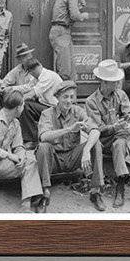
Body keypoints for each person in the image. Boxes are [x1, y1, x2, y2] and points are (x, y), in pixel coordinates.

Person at [85, 59, 130, 205]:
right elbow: (98, 130)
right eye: (114, 81)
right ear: (104, 82)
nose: (117, 84)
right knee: (121, 134)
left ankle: (120, 188)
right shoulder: (91, 101)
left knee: (121, 141)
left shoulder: (121, 95)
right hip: (103, 141)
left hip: (119, 139)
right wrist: (116, 126)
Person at [37, 80, 105, 212]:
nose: (69, 101)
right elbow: (43, 137)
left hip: (73, 157)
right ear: (57, 98)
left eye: (72, 97)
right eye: (65, 97)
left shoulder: (78, 111)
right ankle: (44, 193)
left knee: (95, 143)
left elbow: (95, 130)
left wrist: (86, 151)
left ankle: (95, 192)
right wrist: (69, 129)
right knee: (43, 147)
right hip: (54, 160)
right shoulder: (47, 114)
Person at [16, 59, 63, 144]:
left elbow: (32, 93)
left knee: (26, 106)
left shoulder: (48, 76)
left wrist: (17, 101)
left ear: (31, 71)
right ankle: (30, 134)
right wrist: (11, 89)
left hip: (55, 109)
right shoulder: (38, 76)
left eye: (31, 72)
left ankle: (31, 140)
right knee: (27, 103)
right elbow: (27, 87)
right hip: (46, 105)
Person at [50, 0, 88, 79]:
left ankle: (69, 93)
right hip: (61, 32)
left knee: (70, 69)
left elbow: (65, 14)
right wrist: (83, 16)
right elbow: (75, 16)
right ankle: (64, 93)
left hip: (62, 32)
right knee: (66, 70)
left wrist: (79, 7)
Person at [0, 42, 37, 113]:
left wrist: (11, 89)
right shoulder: (18, 69)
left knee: (15, 97)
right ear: (20, 60)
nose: (28, 58)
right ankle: (1, 115)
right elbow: (7, 80)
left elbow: (30, 87)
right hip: (19, 96)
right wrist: (1, 86)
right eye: (24, 56)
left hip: (31, 97)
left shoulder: (34, 67)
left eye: (28, 55)